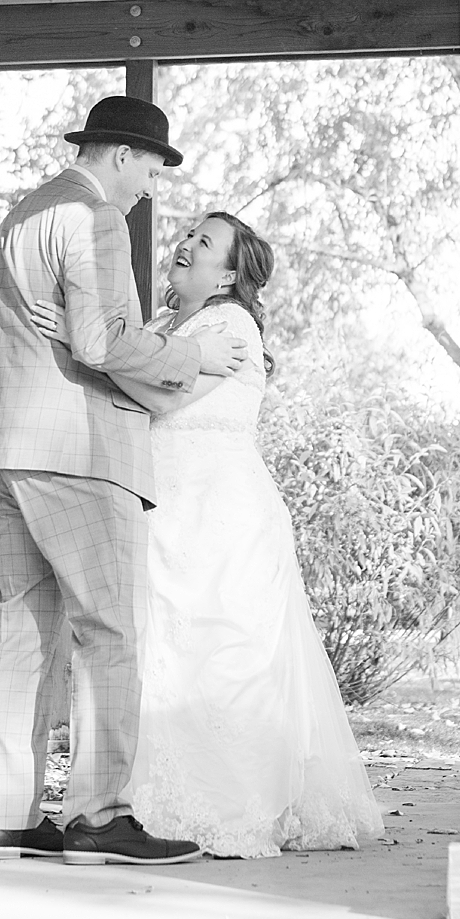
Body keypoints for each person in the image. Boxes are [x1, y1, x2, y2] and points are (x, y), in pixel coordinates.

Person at [0, 95, 247, 865]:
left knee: (23, 633)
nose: (151, 187)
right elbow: (98, 341)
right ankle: (98, 817)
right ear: (122, 155)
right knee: (109, 630)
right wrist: (192, 358)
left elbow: (55, 330)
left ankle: (7, 820)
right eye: (152, 168)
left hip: (2, 448)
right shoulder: (95, 217)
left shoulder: (23, 213)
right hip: (75, 449)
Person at [103, 212, 385, 857]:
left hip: (220, 510)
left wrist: (94, 348)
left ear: (229, 273)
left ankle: (237, 805)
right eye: (189, 235)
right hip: (168, 505)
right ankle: (151, 802)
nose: (186, 244)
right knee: (170, 651)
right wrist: (121, 349)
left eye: (204, 243)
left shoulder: (228, 325)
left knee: (224, 652)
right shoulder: (163, 328)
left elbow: (164, 401)